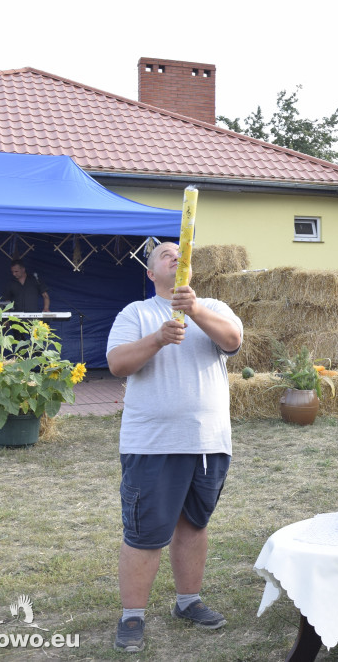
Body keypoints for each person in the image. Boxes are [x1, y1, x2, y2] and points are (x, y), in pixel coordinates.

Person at [106, 241, 243, 652]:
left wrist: (195, 311)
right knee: (145, 534)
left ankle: (188, 602)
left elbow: (234, 340)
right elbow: (117, 364)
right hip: (152, 444)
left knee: (194, 525)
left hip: (208, 442)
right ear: (151, 274)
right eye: (164, 254)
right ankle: (132, 616)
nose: (174, 255)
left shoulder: (213, 306)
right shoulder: (136, 313)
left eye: (179, 253)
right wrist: (159, 338)